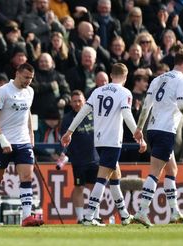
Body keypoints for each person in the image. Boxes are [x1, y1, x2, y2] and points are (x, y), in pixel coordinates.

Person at [61, 63, 147, 226]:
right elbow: (127, 114)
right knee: (102, 178)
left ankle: (123, 215)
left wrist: (69, 132)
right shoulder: (124, 92)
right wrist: (138, 133)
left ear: (111, 74)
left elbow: (83, 112)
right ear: (126, 76)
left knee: (115, 177)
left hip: (99, 141)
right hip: (113, 141)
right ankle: (88, 216)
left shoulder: (97, 91)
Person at [133, 48, 183, 227]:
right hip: (166, 130)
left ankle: (175, 212)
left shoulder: (158, 78)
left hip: (153, 129)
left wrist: (140, 127)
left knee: (172, 170)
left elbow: (146, 105)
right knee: (155, 172)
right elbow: (181, 104)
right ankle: (141, 211)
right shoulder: (182, 79)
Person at [0, 63, 44, 227]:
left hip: (23, 141)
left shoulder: (30, 92)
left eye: (31, 79)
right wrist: (2, 139)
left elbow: (28, 114)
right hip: (3, 141)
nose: (28, 81)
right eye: (26, 77)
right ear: (17, 73)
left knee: (26, 177)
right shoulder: (3, 91)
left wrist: (31, 136)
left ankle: (26, 216)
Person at [60, 90, 101, 224]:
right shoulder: (67, 118)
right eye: (74, 101)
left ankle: (95, 215)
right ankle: (80, 218)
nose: (77, 103)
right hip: (78, 159)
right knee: (79, 187)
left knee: (95, 188)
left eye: (80, 100)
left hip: (94, 157)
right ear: (71, 103)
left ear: (85, 101)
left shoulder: (93, 114)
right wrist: (63, 152)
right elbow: (64, 139)